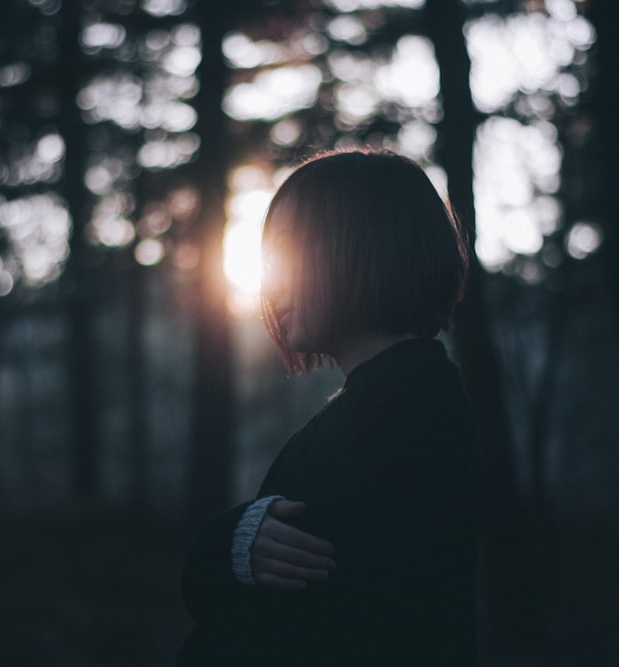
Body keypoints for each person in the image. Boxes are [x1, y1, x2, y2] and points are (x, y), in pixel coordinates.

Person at [177, 148, 479, 666]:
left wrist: (224, 551)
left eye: (290, 253)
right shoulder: (394, 401)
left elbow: (288, 632)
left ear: (361, 251)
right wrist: (234, 545)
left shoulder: (393, 422)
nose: (272, 283)